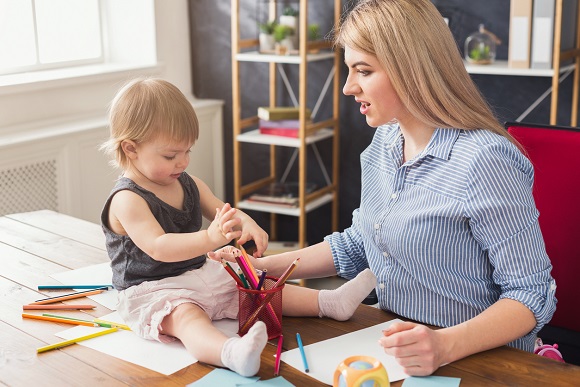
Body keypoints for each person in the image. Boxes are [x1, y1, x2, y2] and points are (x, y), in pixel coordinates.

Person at [210, 0, 556, 377]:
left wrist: (443, 345)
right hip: (393, 348)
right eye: (349, 70)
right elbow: (360, 243)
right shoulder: (384, 145)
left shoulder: (485, 160)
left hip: (477, 360)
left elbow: (531, 294)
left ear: (413, 69)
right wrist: (260, 269)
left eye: (364, 70)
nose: (347, 87)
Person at [100, 77, 377, 377]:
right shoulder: (127, 199)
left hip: (198, 273)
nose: (183, 162)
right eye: (171, 155)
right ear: (131, 149)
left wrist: (247, 223)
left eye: (187, 151)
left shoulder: (187, 183)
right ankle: (230, 352)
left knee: (257, 284)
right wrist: (210, 237)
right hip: (154, 289)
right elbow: (159, 247)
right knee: (186, 318)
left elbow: (224, 211)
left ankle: (329, 302)